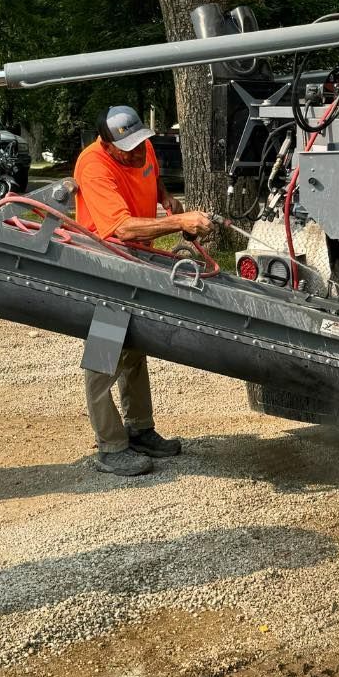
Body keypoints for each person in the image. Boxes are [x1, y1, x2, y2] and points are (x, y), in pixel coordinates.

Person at [73, 105, 213, 477]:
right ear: (106, 143)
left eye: (140, 144)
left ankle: (139, 428)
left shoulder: (141, 145)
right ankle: (111, 446)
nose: (137, 153)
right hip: (104, 262)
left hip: (137, 258)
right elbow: (120, 229)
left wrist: (167, 198)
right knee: (105, 353)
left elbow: (151, 173)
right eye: (128, 149)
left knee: (136, 343)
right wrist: (177, 221)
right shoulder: (94, 166)